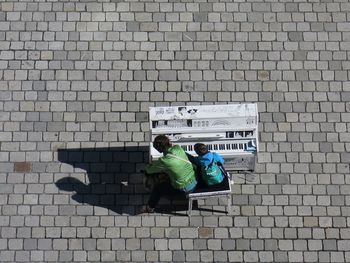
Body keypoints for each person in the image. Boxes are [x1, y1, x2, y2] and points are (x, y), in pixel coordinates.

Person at [141, 135, 197, 213]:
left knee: (158, 189)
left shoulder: (164, 161)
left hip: (185, 189)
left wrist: (147, 168)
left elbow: (150, 170)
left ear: (159, 149)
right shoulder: (178, 148)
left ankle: (150, 208)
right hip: (194, 180)